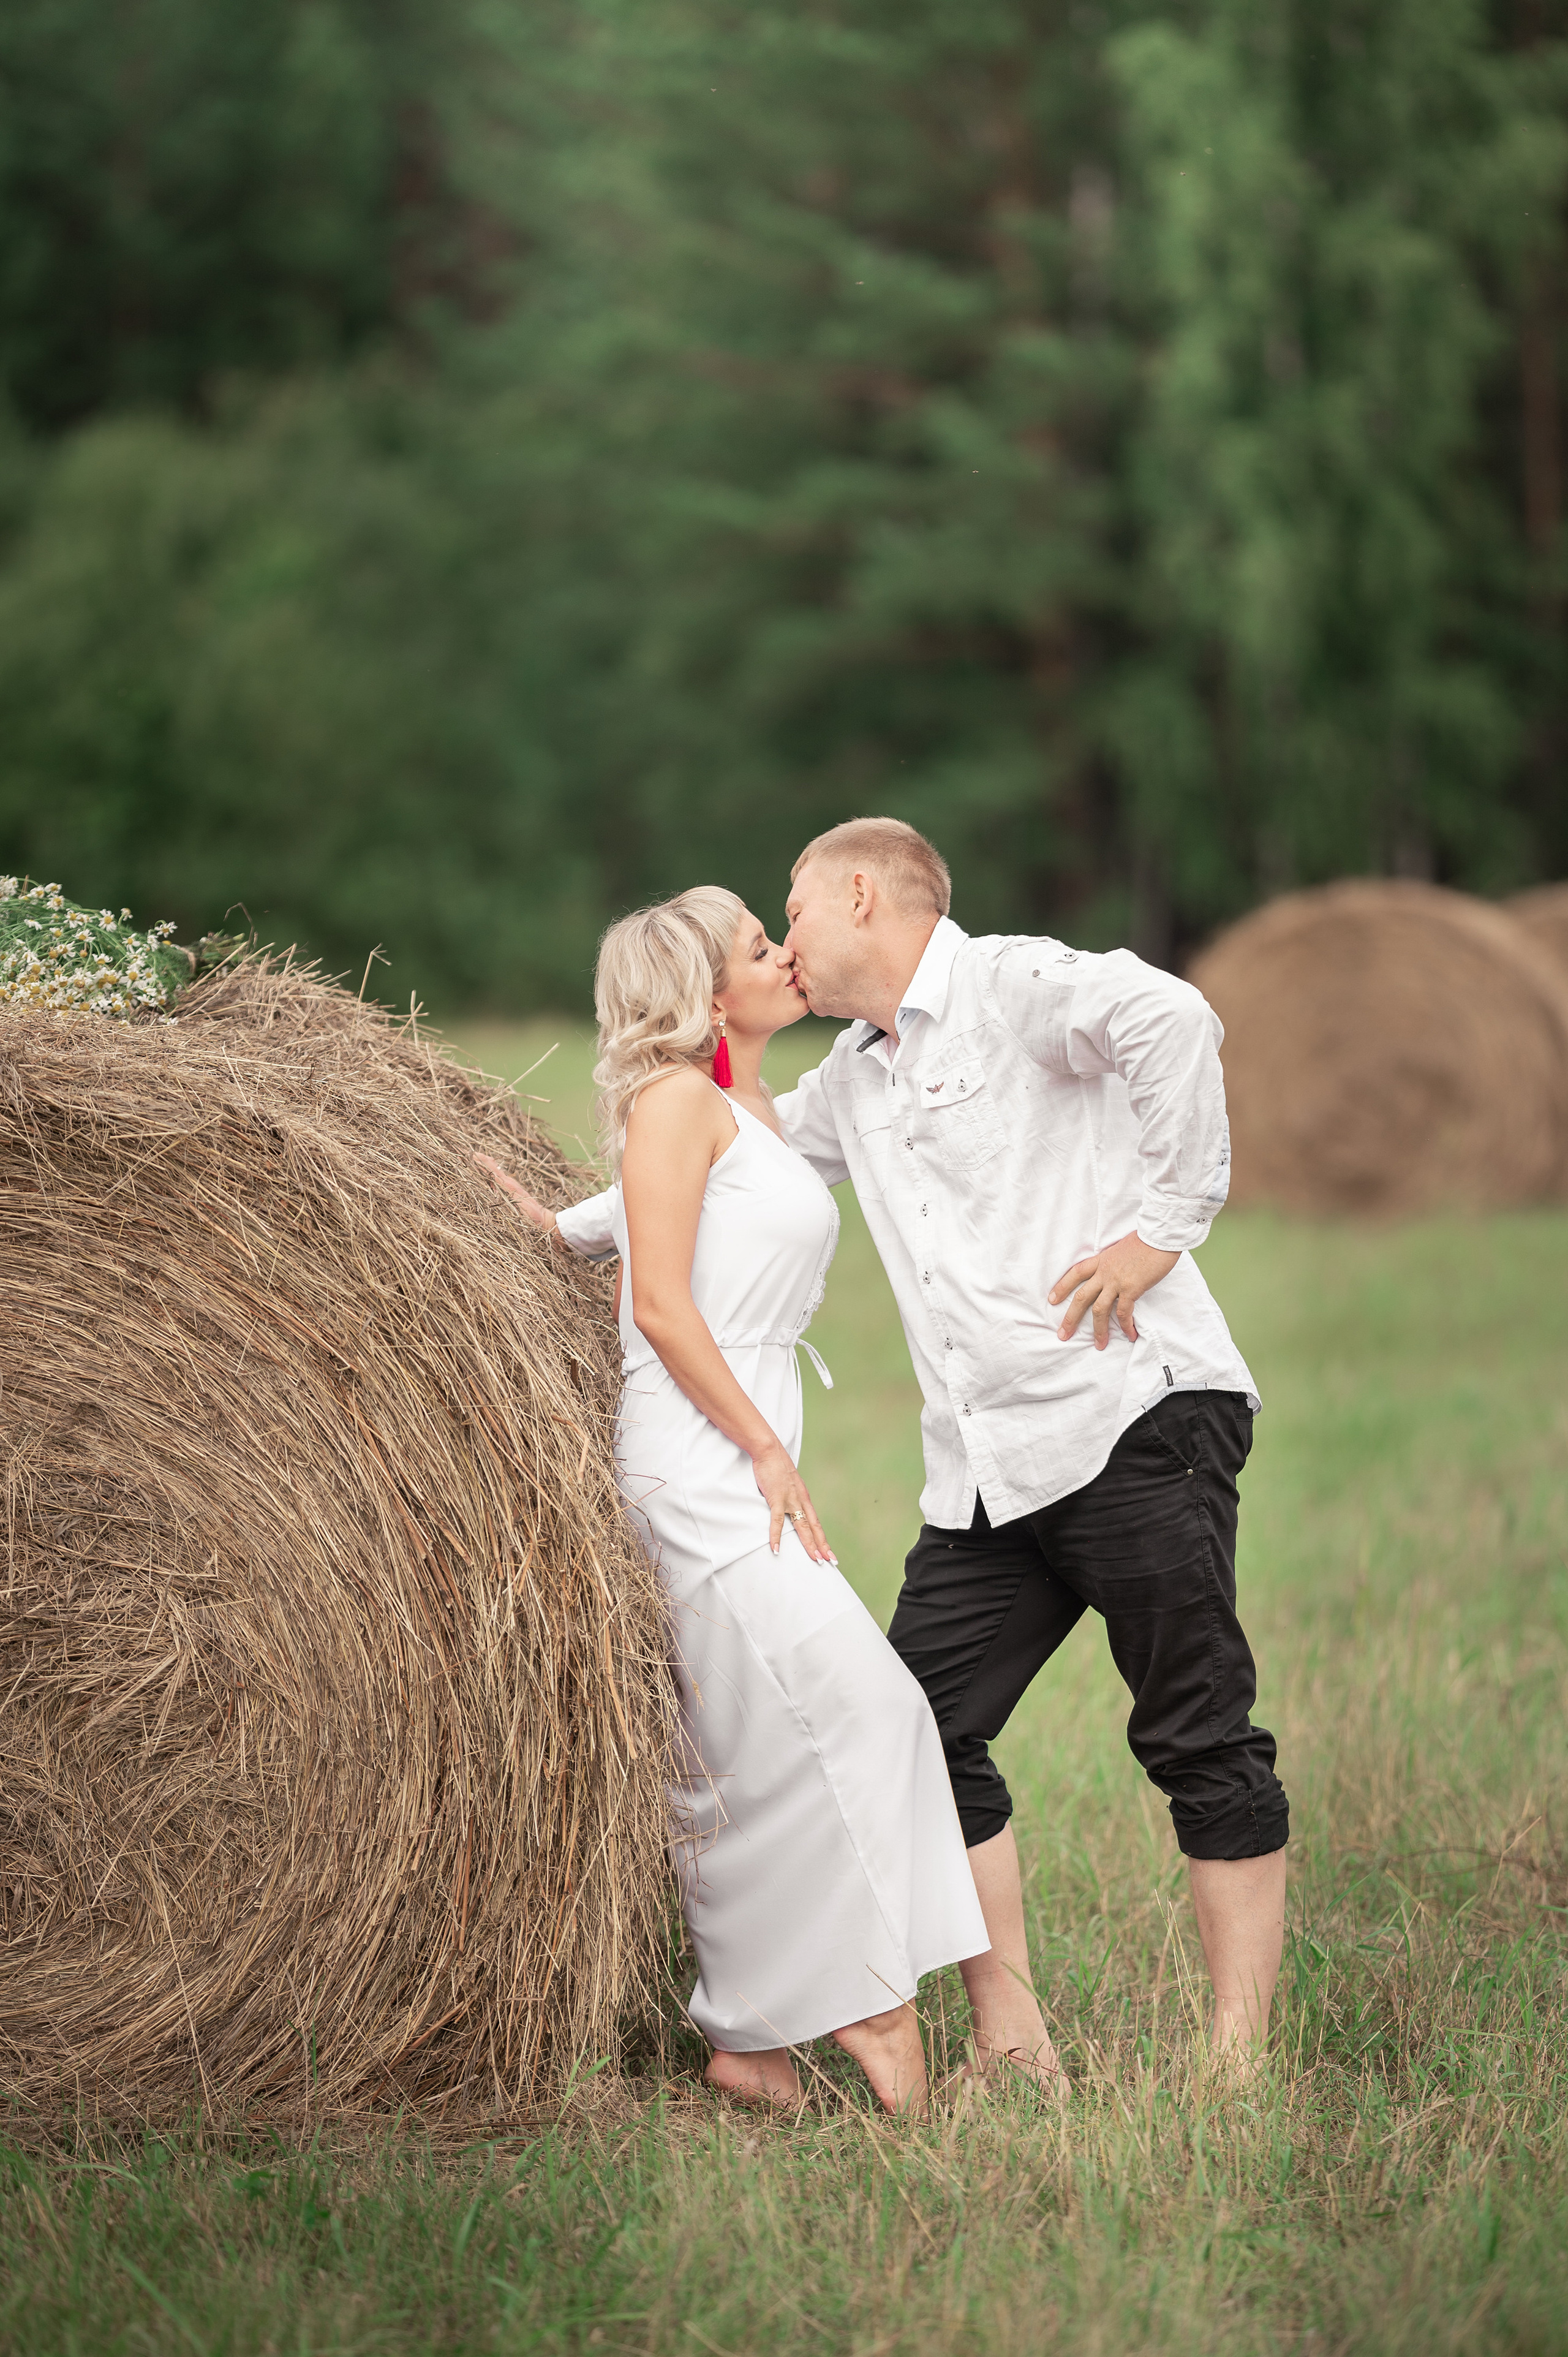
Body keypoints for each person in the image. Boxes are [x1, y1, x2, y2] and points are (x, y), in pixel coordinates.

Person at [770, 818, 1289, 2084]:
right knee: (912, 1730)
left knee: (1192, 1730)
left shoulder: (1007, 984)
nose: (784, 942)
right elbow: (731, 1171)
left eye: (789, 911)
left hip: (1128, 1418)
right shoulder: (851, 1076)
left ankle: (1235, 2060)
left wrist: (1160, 1230)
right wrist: (550, 1220)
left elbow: (1171, 1018)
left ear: (858, 892)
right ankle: (1011, 2034)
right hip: (986, 1471)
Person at [478, 887, 987, 2115]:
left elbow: (631, 1226)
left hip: (737, 1446)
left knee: (786, 1736)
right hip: (700, 1458)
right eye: (761, 946)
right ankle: (861, 2012)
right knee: (847, 1709)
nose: (785, 954)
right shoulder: (672, 1102)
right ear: (710, 991)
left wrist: (553, 1224)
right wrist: (763, 1445)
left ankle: (755, 2043)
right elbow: (659, 1304)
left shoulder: (735, 1104)